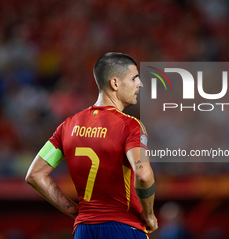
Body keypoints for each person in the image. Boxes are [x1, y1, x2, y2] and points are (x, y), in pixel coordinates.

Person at [25, 52, 158, 238]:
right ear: (115, 83)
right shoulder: (130, 126)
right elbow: (143, 175)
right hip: (124, 227)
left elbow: (35, 175)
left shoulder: (67, 126)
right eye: (135, 78)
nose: (140, 84)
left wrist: (76, 212)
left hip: (84, 230)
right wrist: (150, 215)